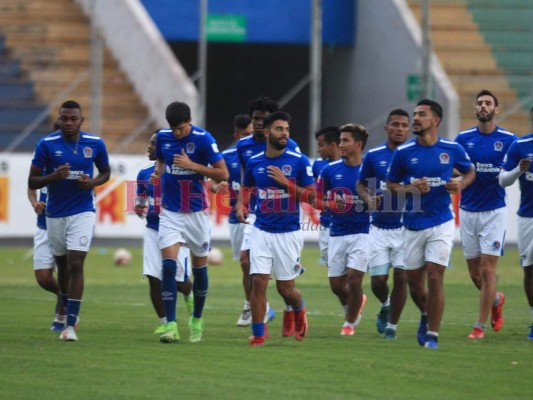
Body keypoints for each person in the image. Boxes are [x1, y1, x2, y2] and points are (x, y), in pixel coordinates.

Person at [386, 99, 475, 349]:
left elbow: (470, 171)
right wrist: (409, 188)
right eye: (415, 114)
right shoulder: (404, 153)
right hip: (412, 224)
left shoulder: (451, 149)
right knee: (414, 283)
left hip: (441, 223)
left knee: (435, 277)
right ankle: (426, 314)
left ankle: (433, 336)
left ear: (435, 120)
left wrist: (461, 184)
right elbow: (391, 185)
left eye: (421, 115)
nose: (415, 119)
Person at [28, 100, 111, 341]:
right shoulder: (46, 145)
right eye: (65, 119)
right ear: (60, 120)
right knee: (62, 267)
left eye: (74, 119)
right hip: (54, 214)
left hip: (83, 211)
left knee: (76, 263)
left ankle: (71, 324)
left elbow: (105, 172)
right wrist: (55, 176)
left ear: (81, 121)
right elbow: (32, 182)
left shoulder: (95, 143)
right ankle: (63, 312)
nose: (69, 123)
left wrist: (92, 183)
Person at [150, 101, 228, 343]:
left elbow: (223, 173)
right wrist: (158, 172)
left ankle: (196, 318)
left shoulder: (204, 139)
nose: (176, 133)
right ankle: (171, 326)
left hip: (196, 213)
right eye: (173, 129)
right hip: (170, 212)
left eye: (181, 129)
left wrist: (192, 166)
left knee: (199, 269)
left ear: (189, 122)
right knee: (169, 267)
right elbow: (161, 163)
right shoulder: (163, 138)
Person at [238, 111, 315, 346]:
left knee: (285, 289)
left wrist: (285, 183)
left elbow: (312, 197)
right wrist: (241, 205)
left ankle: (299, 310)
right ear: (266, 132)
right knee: (259, 281)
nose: (284, 134)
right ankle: (259, 334)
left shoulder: (298, 161)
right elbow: (246, 187)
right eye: (279, 129)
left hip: (288, 232)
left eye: (287, 130)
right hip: (261, 229)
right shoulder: (255, 162)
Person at [454, 89, 517, 339]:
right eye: (479, 103)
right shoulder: (463, 138)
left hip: (494, 212)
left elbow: (510, 173)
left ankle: (478, 327)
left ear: (496, 109)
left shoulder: (509, 139)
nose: (483, 106)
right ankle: (496, 299)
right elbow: (456, 169)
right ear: (475, 109)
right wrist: (452, 180)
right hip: (468, 211)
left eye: (488, 103)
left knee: (488, 269)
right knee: (475, 275)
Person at [235, 96, 300, 331]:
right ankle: (256, 309)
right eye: (256, 119)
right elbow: (246, 180)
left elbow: (300, 179)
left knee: (285, 284)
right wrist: (241, 203)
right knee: (245, 260)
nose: (259, 123)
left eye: (264, 120)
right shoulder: (243, 146)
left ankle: (290, 307)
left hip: (285, 219)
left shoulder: (290, 147)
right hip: (257, 214)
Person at [357, 109, 410, 340]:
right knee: (378, 281)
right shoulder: (373, 156)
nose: (399, 129)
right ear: (386, 128)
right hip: (378, 227)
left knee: (401, 277)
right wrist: (368, 198)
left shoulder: (414, 155)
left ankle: (392, 327)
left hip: (406, 228)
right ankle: (386, 304)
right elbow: (360, 184)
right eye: (395, 125)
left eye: (404, 125)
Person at [317, 123, 373, 336]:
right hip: (337, 233)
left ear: (358, 144)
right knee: (337, 286)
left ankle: (349, 324)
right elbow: (317, 200)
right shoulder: (330, 170)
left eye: (345, 140)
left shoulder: (370, 170)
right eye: (340, 140)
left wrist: (373, 201)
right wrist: (330, 205)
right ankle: (356, 305)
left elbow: (382, 200)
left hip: (363, 232)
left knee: (354, 279)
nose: (340, 144)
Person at [135, 133, 194, 336]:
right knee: (153, 277)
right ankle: (166, 322)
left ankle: (189, 292)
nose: (149, 147)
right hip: (153, 229)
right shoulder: (143, 173)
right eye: (150, 143)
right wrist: (139, 205)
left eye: (154, 144)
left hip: (176, 229)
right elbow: (141, 197)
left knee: (179, 282)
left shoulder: (175, 172)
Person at [211, 114, 254, 326]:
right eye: (245, 134)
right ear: (236, 135)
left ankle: (259, 305)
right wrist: (216, 187)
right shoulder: (226, 157)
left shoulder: (262, 154)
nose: (249, 138)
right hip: (237, 219)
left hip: (261, 215)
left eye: (252, 133)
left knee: (257, 264)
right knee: (246, 265)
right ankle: (252, 305)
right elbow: (212, 183)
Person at [499, 105, 533, 340]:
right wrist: (518, 171)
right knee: (529, 270)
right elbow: (502, 180)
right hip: (527, 217)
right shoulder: (520, 146)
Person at [27, 186, 66, 331]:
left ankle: (61, 318)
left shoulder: (73, 167)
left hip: (66, 225)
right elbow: (31, 187)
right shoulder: (41, 165)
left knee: (66, 272)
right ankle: (65, 295)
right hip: (43, 226)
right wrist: (34, 202)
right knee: (43, 278)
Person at [312, 126, 341, 267]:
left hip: (349, 227)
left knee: (351, 277)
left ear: (332, 145)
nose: (318, 150)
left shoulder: (355, 164)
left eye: (321, 145)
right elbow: (313, 197)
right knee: (336, 281)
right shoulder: (317, 165)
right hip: (326, 226)